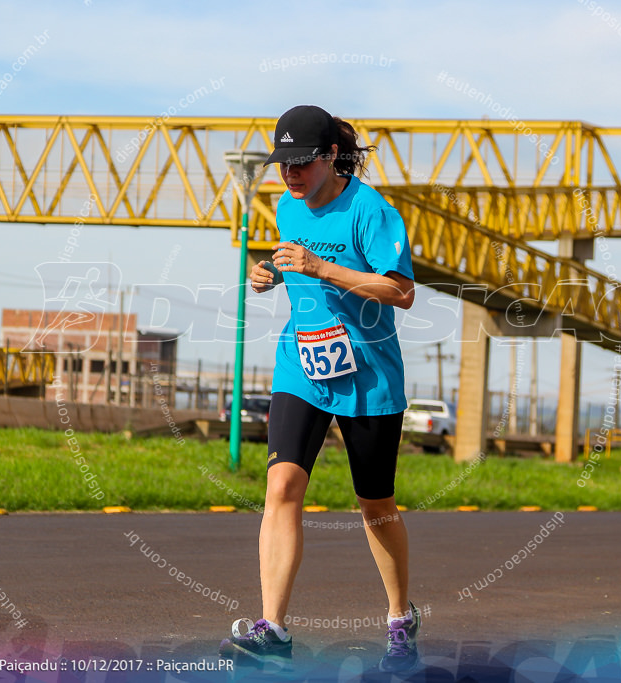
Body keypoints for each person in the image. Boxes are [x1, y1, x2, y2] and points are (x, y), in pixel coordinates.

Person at [218, 105, 421, 673]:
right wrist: (272, 273)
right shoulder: (287, 205)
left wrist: (319, 266)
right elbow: (297, 264)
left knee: (375, 505)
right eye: (283, 165)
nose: (290, 176)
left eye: (302, 163)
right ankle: (274, 629)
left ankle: (400, 616)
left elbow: (401, 292)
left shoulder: (371, 211)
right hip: (301, 363)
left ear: (332, 156)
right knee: (281, 485)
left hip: (369, 372)